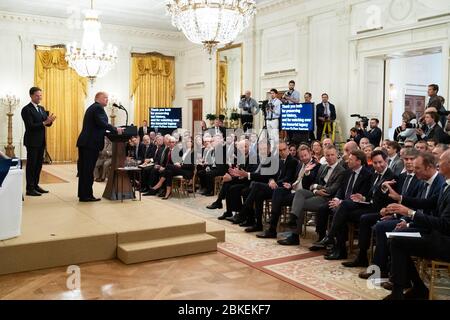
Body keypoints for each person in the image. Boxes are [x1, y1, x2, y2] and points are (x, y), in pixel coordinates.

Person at [76, 92, 123, 202]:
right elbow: (102, 123)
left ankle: (83, 194)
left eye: (107, 98)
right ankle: (86, 196)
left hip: (86, 143)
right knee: (87, 171)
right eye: (105, 98)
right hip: (90, 144)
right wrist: (116, 129)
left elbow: (98, 125)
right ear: (98, 98)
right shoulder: (98, 108)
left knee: (84, 171)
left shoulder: (93, 108)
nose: (107, 100)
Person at [21, 87, 56, 196]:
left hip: (41, 141)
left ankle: (35, 185)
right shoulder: (26, 109)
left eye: (40, 95)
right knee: (31, 165)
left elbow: (47, 124)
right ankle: (29, 188)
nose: (39, 97)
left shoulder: (41, 108)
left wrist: (50, 121)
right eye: (37, 95)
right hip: (32, 141)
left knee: (38, 165)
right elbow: (30, 126)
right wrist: (45, 122)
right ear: (31, 95)